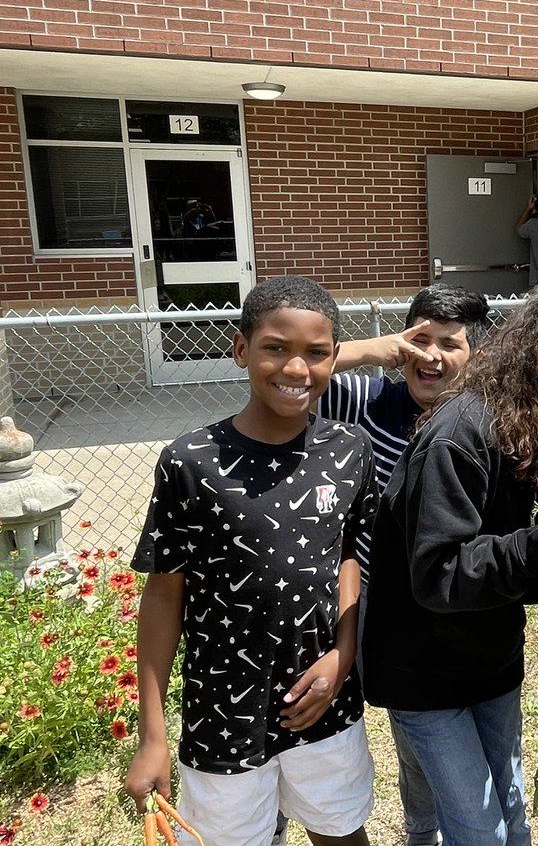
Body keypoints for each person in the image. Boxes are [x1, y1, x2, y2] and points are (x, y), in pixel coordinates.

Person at [361, 282, 538, 846]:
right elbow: (438, 574)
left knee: (513, 816)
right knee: (479, 831)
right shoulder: (461, 433)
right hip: (421, 667)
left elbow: (529, 574)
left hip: (490, 656)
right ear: (528, 342)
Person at [125, 275, 378, 846]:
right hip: (223, 710)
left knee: (340, 830)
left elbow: (348, 560)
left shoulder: (348, 449)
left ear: (335, 358)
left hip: (322, 701)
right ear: (241, 349)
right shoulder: (190, 461)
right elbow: (164, 595)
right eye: (275, 348)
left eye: (316, 353)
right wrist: (153, 734)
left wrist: (343, 653)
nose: (296, 369)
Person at [313, 283, 490, 846]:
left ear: (477, 353)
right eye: (419, 340)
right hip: (367, 597)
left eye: (449, 344)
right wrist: (374, 348)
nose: (430, 356)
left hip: (444, 603)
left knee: (427, 728)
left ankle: (426, 828)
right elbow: (300, 366)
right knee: (376, 724)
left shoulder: (484, 420)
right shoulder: (368, 400)